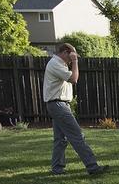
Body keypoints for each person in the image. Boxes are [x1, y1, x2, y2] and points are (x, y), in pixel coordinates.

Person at [44, 43, 105, 176]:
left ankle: (57, 169)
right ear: (65, 52)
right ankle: (92, 167)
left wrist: (72, 61)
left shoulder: (60, 64)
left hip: (58, 104)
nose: (73, 58)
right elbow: (74, 79)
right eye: (72, 55)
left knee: (60, 139)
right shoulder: (55, 64)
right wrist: (75, 61)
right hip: (58, 105)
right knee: (77, 136)